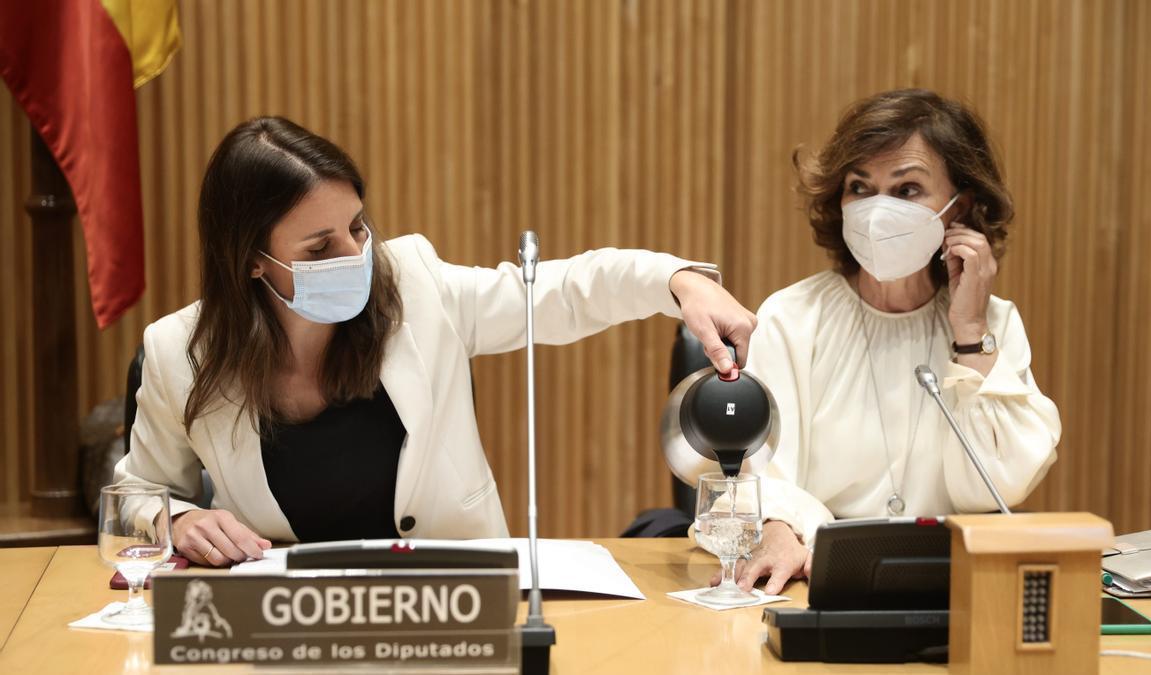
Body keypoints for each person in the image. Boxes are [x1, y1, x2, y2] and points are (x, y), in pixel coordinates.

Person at [114, 116, 757, 567]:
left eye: (358, 227)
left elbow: (562, 291)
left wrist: (678, 280)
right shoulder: (179, 352)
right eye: (320, 247)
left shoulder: (417, 287)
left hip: (453, 606)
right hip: (291, 625)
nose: (356, 254)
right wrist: (176, 519)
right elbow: (137, 491)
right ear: (251, 261)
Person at [730, 89, 1061, 594]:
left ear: (959, 208)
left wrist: (969, 335)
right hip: (808, 579)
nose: (877, 211)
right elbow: (758, 476)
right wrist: (777, 528)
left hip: (947, 588)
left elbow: (999, 486)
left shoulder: (994, 322)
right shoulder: (792, 317)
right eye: (860, 187)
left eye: (906, 190)